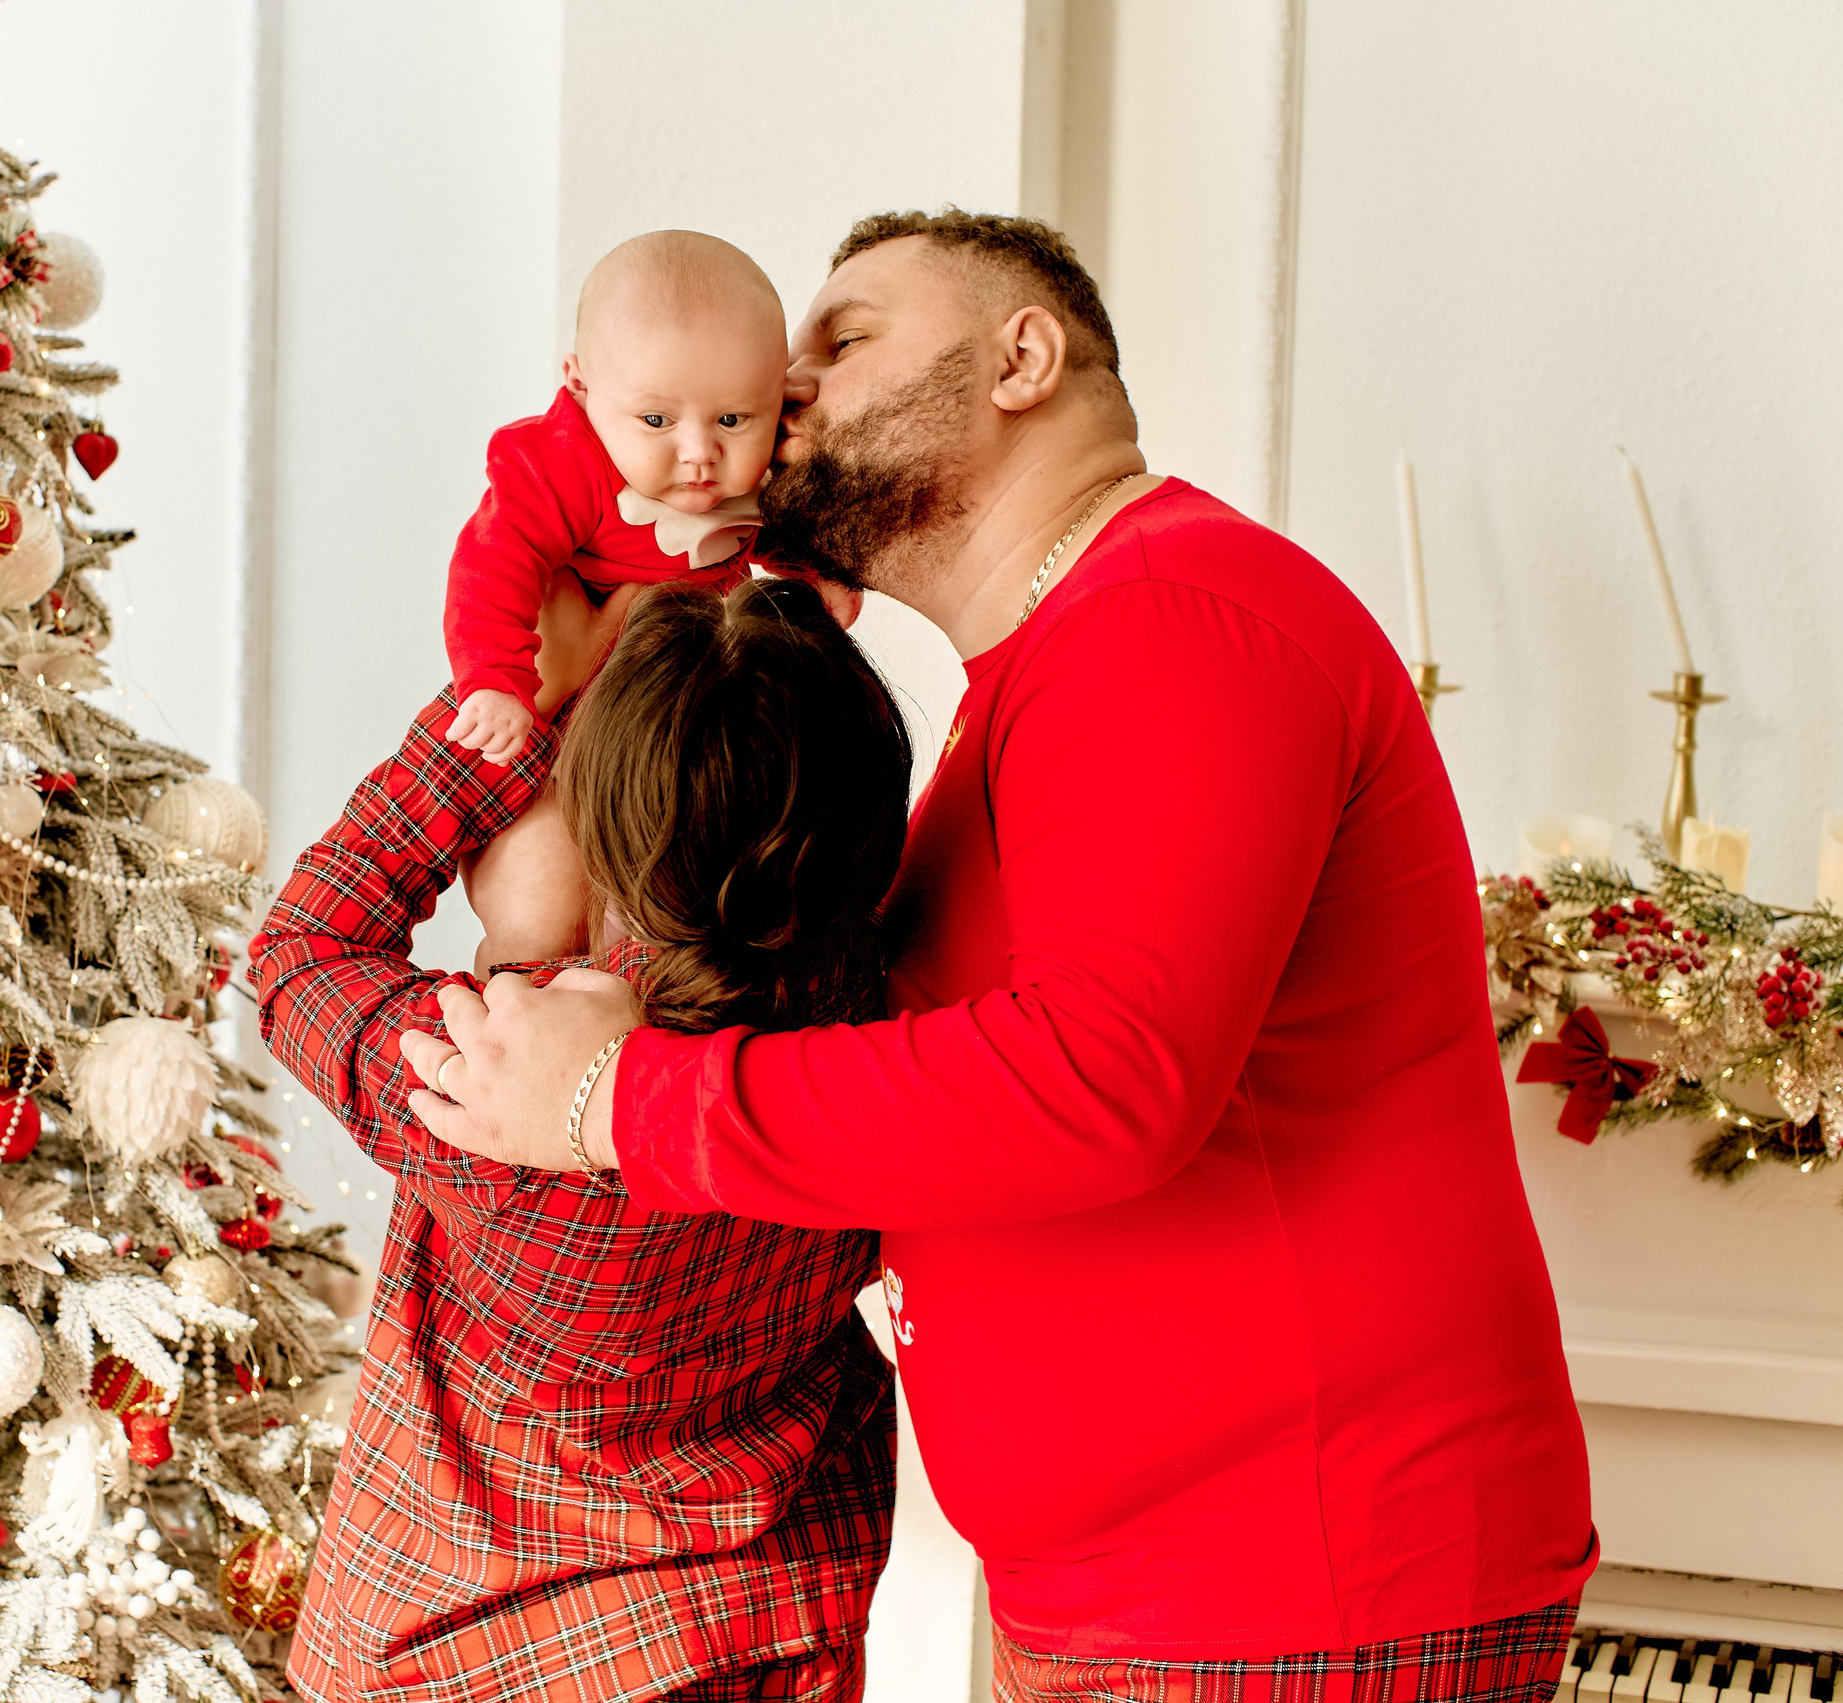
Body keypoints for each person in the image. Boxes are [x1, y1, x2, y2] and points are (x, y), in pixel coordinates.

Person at [406, 210, 1600, 1694]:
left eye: (842, 344)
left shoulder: (1177, 616)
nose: (791, 399)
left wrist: (611, 1102)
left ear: (1021, 356)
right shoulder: (1042, 671)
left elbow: (1106, 1077)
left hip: (1294, 1598)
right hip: (1144, 1603)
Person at [251, 573, 912, 1701]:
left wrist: (498, 713)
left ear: (590, 829)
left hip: (456, 1651)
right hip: (758, 1632)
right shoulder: (894, 1041)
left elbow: (299, 952)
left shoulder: (502, 1093)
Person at [442, 229, 785, 766]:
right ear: (581, 383)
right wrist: (495, 680)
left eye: (732, 418)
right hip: (535, 688)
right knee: (452, 784)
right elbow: (494, 561)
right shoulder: (563, 463)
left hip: (669, 703)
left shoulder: (761, 469)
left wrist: (820, 576)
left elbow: (787, 530)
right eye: (655, 420)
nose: (700, 452)